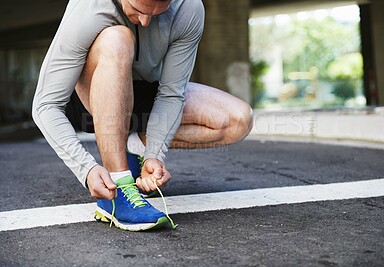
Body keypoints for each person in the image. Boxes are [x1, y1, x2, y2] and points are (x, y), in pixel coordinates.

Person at [32, 0, 253, 231]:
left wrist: (154, 154)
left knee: (237, 119)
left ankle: (133, 147)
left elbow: (171, 94)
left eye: (159, 12)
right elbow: (45, 104)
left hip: (148, 92)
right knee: (119, 38)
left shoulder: (189, 7)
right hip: (90, 99)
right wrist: (86, 168)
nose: (146, 21)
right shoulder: (90, 6)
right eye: (138, 10)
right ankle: (117, 187)